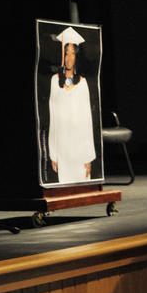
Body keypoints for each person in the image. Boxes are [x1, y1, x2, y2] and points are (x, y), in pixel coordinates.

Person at [47, 28, 96, 183]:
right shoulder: (55, 81)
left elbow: (87, 121)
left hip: (79, 143)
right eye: (66, 53)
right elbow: (53, 118)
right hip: (62, 143)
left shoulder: (82, 83)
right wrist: (53, 154)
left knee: (81, 186)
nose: (69, 58)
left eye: (72, 53)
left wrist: (88, 156)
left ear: (77, 57)